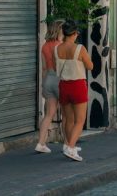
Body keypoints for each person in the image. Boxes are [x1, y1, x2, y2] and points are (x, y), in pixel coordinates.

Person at [55, 21, 94, 162]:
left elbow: (55, 68)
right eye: (77, 33)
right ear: (74, 33)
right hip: (77, 85)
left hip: (63, 85)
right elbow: (90, 66)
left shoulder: (57, 48)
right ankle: (71, 147)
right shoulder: (80, 48)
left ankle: (67, 144)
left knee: (68, 119)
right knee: (80, 120)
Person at [36, 19, 64, 154]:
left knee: (48, 114)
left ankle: (41, 143)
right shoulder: (61, 46)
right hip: (59, 79)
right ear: (60, 30)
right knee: (67, 113)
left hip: (48, 80)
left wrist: (43, 86)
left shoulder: (44, 46)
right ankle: (68, 144)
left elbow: (44, 68)